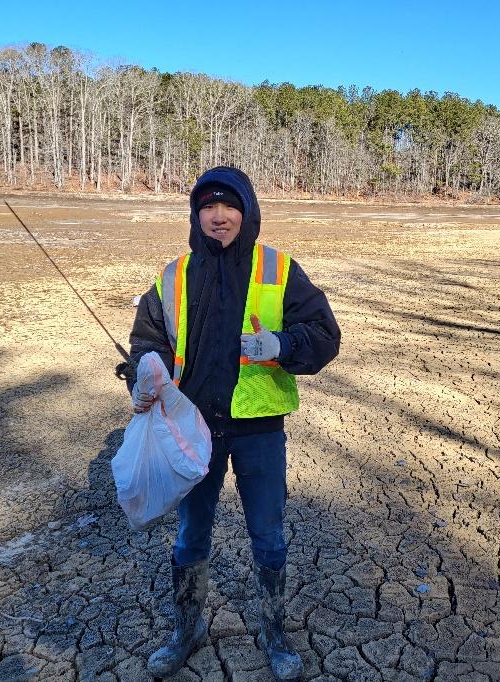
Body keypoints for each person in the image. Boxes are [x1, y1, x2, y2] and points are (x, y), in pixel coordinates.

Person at [124, 166, 340, 679]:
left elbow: (325, 335)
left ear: (247, 211)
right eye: (208, 206)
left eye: (229, 206)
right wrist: (143, 373)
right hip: (193, 428)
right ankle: (188, 628)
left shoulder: (280, 269)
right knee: (190, 537)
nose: (218, 216)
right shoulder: (174, 274)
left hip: (259, 429)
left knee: (268, 536)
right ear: (196, 215)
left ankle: (273, 632)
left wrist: (283, 345)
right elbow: (147, 341)